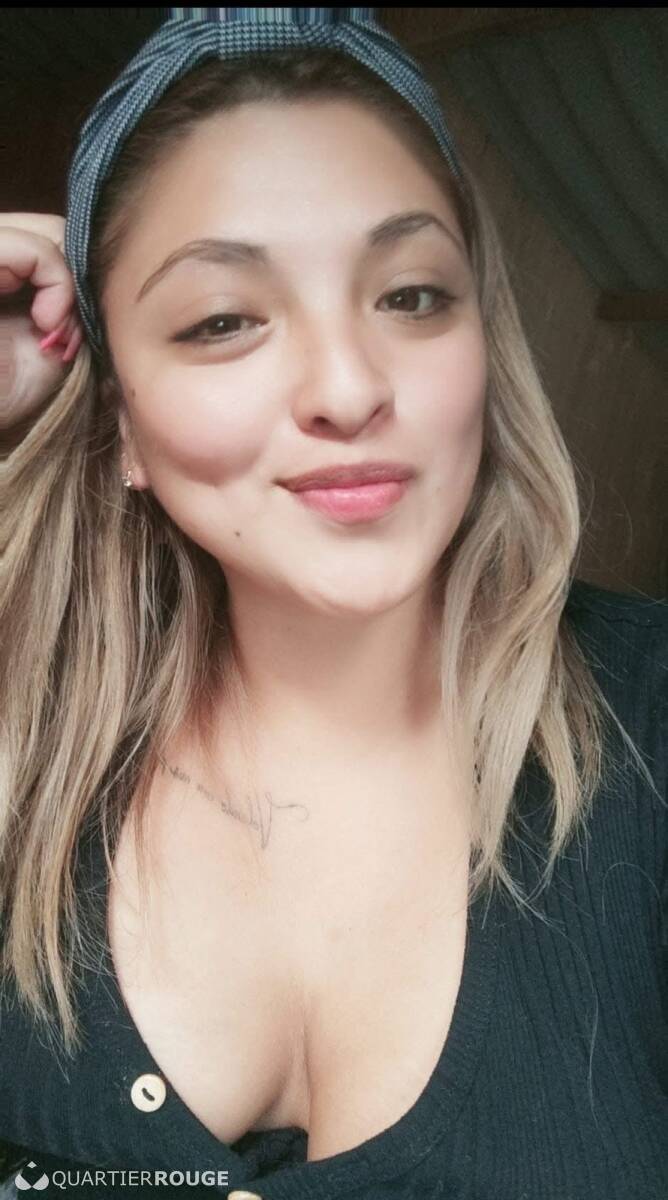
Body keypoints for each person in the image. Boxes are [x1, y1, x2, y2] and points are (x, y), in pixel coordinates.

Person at [0, 9, 666, 1200]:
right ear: (119, 422)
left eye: (409, 296)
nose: (349, 387)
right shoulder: (20, 739)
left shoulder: (649, 719)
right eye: (221, 319)